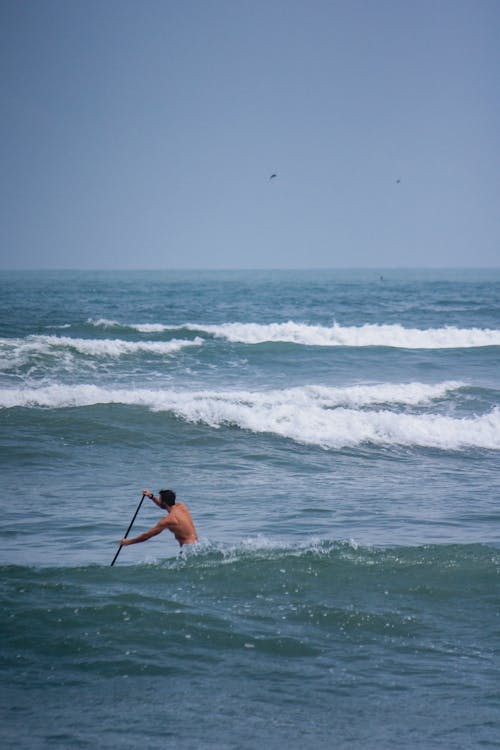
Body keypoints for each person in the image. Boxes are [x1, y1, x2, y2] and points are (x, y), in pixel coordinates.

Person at [120, 489, 198, 549]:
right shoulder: (181, 506)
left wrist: (128, 542)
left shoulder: (168, 520)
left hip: (187, 549)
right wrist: (151, 497)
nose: (159, 500)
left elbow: (146, 536)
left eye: (160, 499)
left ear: (164, 502)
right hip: (197, 545)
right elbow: (163, 505)